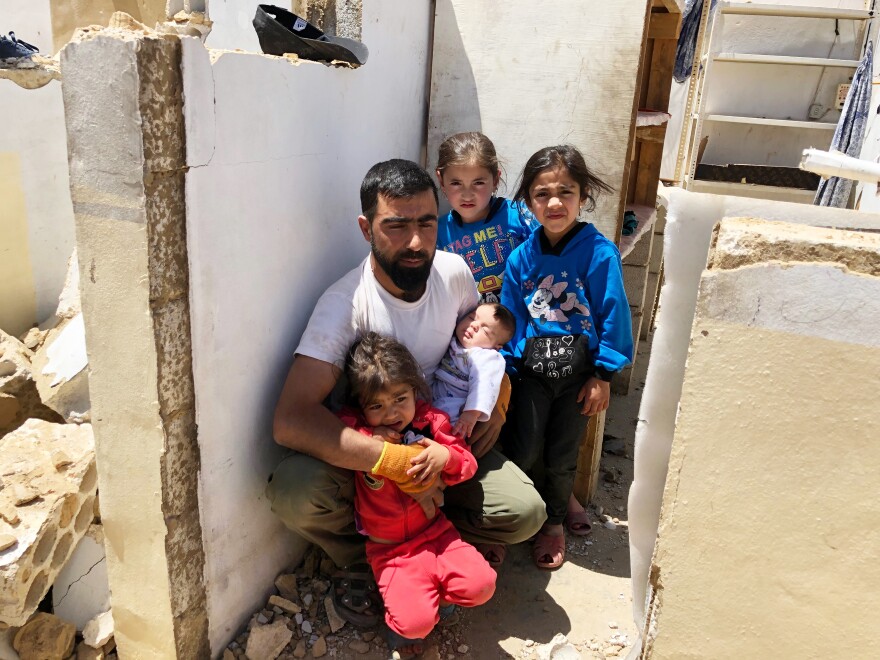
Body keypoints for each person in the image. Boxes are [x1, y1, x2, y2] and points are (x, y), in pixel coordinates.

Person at [267, 158, 546, 626]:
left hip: (441, 441)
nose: (416, 242)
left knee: (524, 512)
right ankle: (371, 559)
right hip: (373, 465)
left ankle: (434, 539)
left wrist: (497, 400)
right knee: (296, 491)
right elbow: (291, 419)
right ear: (366, 228)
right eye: (396, 226)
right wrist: (393, 464)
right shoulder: (345, 305)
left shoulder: (455, 272)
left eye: (426, 223)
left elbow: (478, 347)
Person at [500, 145, 633, 570]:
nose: (554, 203)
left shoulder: (598, 252)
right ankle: (508, 523)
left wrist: (603, 374)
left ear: (583, 195)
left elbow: (613, 313)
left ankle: (553, 524)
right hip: (533, 373)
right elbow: (512, 317)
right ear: (528, 200)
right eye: (542, 194)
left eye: (565, 191)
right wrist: (508, 366)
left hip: (578, 376)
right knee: (522, 449)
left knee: (561, 455)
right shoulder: (522, 257)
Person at [340, 332, 496, 656]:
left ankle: (440, 596)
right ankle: (407, 614)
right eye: (377, 406)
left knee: (482, 585)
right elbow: (337, 430)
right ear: (361, 406)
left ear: (414, 390)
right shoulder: (358, 433)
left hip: (439, 536)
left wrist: (445, 456)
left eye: (400, 398)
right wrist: (369, 437)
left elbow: (466, 462)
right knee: (414, 626)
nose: (392, 412)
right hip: (391, 552)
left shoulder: (431, 421)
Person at [435, 132, 538, 304]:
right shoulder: (437, 232)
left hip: (526, 321)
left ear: (496, 179)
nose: (467, 195)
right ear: (441, 180)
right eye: (456, 183)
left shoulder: (520, 216)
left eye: (478, 183)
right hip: (473, 327)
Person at [432, 302, 515, 439]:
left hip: (458, 411)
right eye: (472, 318)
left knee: (451, 435)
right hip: (434, 399)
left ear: (496, 346)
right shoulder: (453, 341)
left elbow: (485, 385)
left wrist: (471, 412)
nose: (474, 325)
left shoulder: (488, 357)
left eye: (485, 330)